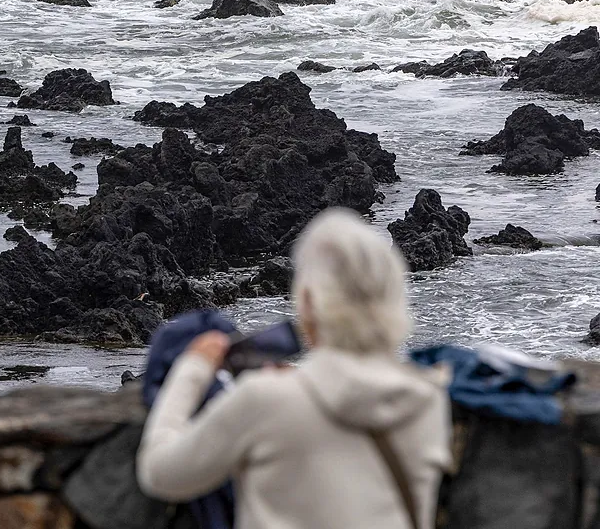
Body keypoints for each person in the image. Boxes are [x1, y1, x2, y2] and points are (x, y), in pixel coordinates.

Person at [137, 208, 451, 529]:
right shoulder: (429, 400)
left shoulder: (265, 399)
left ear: (309, 304)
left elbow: (160, 473)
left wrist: (194, 368)